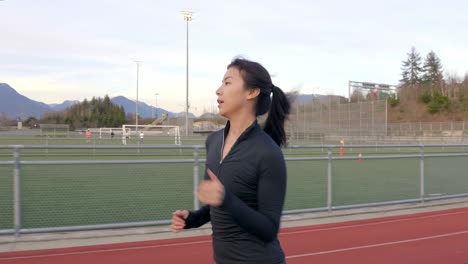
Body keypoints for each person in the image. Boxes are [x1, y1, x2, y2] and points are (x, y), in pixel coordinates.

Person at [171, 58, 291, 264]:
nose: (219, 90)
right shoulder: (214, 141)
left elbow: (269, 229)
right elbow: (215, 207)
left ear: (251, 92)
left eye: (227, 83)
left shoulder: (268, 153)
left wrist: (225, 198)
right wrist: (193, 218)